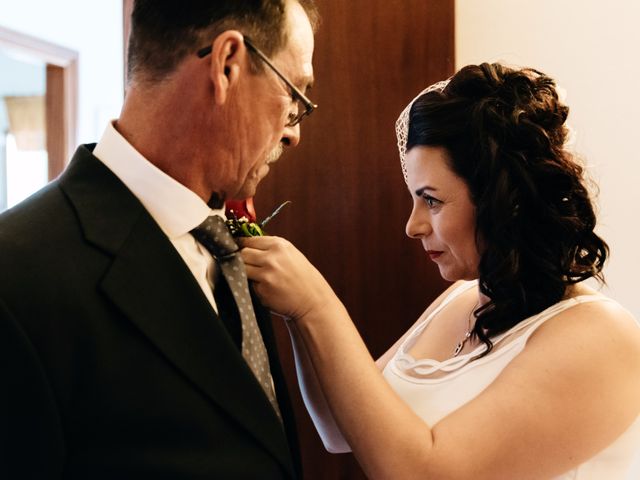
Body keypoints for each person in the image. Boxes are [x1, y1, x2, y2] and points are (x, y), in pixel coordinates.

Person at [240, 63, 640, 479]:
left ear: (503, 200)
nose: (412, 226)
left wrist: (316, 305)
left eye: (431, 200)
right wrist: (296, 316)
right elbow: (340, 430)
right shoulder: (465, 298)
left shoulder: (602, 336)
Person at [0, 1, 318, 478]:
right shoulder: (16, 275)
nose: (294, 132)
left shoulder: (223, 245)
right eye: (295, 93)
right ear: (227, 64)